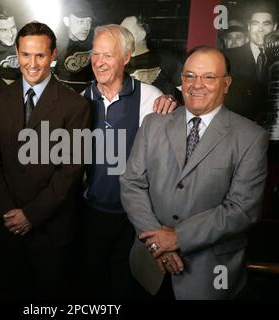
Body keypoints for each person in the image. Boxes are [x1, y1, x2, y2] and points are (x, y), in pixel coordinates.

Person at [120, 46, 268, 299]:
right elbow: (132, 184)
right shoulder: (153, 124)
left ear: (226, 84)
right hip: (149, 268)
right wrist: (158, 244)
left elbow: (243, 209)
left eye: (209, 77)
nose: (196, 85)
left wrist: (177, 238)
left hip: (209, 276)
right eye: (189, 76)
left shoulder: (251, 137)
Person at [0, 21, 91, 299]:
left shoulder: (75, 106)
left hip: (51, 230)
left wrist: (31, 215)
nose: (32, 64)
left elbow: (71, 170)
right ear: (17, 53)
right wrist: (8, 212)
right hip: (8, 226)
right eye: (25, 54)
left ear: (53, 54)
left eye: (40, 55)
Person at [81, 24, 176, 299]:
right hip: (93, 211)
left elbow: (169, 160)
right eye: (95, 54)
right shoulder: (81, 101)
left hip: (137, 216)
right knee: (93, 282)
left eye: (108, 55)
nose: (99, 62)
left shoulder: (152, 98)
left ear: (126, 57)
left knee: (130, 284)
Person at [225, 1, 277, 122]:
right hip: (235, 129)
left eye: (266, 24)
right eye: (255, 24)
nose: (260, 30)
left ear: (274, 27)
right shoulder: (228, 57)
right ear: (249, 27)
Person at [120, 15, 183, 98]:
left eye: (126, 30)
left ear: (142, 33)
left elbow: (186, 90)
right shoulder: (118, 62)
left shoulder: (166, 59)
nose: (121, 35)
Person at [54, 0, 94, 92]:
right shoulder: (56, 44)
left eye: (89, 22)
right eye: (80, 22)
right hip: (64, 94)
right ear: (66, 21)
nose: (86, 27)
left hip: (91, 93)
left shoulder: (96, 41)